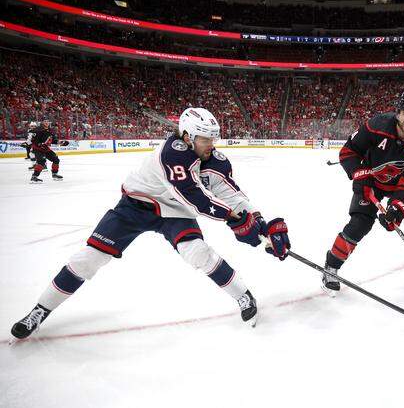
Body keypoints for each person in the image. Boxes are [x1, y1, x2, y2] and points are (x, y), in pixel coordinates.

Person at [10, 107, 290, 341]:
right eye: (205, 139)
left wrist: (262, 224)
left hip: (175, 211)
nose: (211, 145)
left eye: (213, 139)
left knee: (198, 253)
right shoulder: (174, 153)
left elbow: (232, 193)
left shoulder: (214, 159)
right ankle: (40, 310)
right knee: (88, 259)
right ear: (187, 135)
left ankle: (244, 295)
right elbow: (195, 199)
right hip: (135, 205)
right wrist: (233, 218)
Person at [322, 89, 404, 299]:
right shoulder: (376, 125)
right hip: (371, 180)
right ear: (397, 113)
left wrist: (398, 208)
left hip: (400, 185)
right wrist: (358, 173)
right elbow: (348, 152)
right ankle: (330, 268)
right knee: (360, 223)